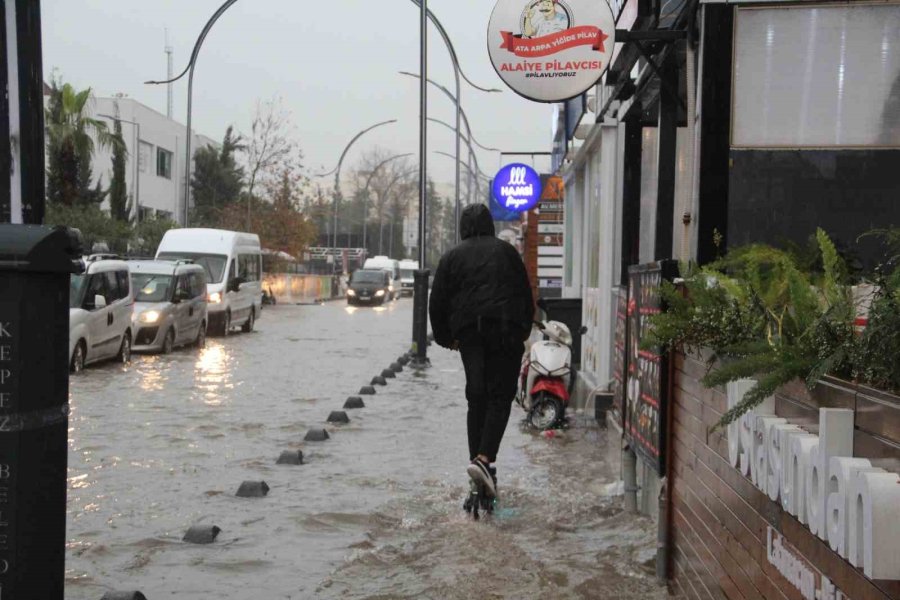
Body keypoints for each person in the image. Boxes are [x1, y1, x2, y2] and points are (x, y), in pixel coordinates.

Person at [429, 204, 534, 499]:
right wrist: (524, 330)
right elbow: (526, 294)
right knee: (500, 396)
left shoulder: (452, 256)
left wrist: (445, 338)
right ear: (489, 224)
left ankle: (476, 462)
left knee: (476, 395)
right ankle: (484, 460)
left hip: (470, 333)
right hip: (507, 331)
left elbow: (437, 301)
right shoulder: (507, 252)